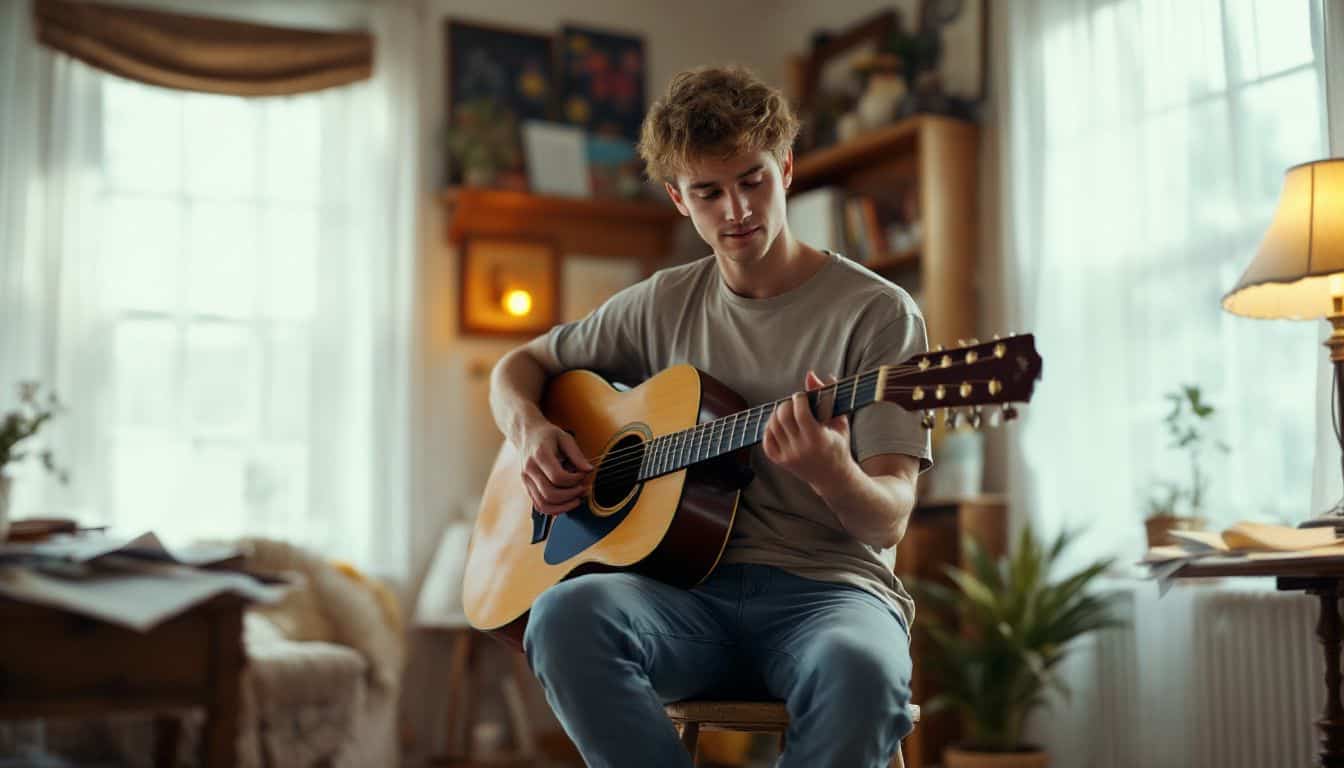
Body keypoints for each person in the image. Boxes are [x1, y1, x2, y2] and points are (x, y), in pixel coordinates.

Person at [488, 64, 931, 768]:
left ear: (786, 167)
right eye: (709, 192)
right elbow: (517, 370)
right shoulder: (660, 302)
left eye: (753, 179)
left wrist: (829, 470)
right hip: (684, 600)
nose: (737, 210)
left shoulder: (878, 314)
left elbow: (887, 519)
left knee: (864, 671)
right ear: (677, 198)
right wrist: (532, 431)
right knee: (563, 616)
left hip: (830, 596)